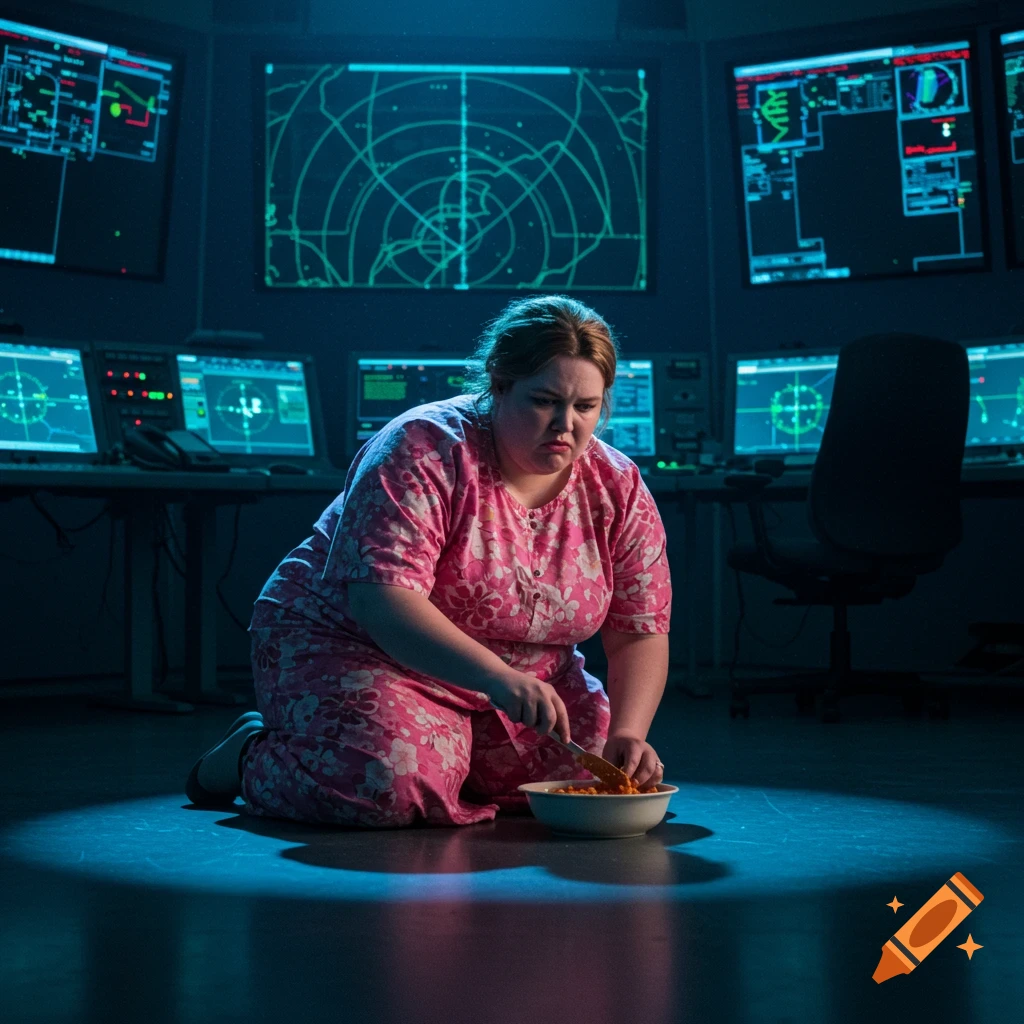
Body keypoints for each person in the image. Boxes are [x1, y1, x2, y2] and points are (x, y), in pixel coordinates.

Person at [186, 295, 672, 827]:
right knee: (387, 785)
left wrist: (630, 732)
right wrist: (495, 677)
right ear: (499, 384)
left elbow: (638, 629)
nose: (565, 425)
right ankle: (248, 752)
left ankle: (446, 751)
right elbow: (383, 601)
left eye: (585, 407)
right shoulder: (422, 447)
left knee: (591, 779)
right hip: (365, 645)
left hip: (519, 678)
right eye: (543, 401)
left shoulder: (617, 484)